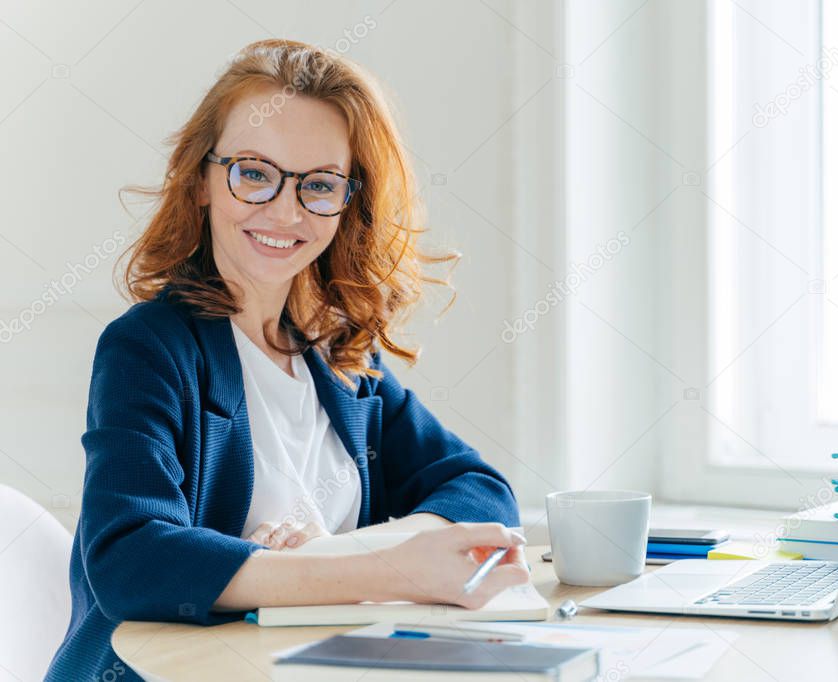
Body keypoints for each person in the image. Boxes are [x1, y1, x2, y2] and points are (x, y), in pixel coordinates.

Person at [45, 39, 529, 681]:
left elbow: (482, 491)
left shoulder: (341, 357)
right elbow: (130, 560)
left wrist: (345, 551)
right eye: (253, 172)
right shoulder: (148, 348)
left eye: (319, 185)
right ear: (200, 183)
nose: (284, 208)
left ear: (347, 202)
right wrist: (376, 571)